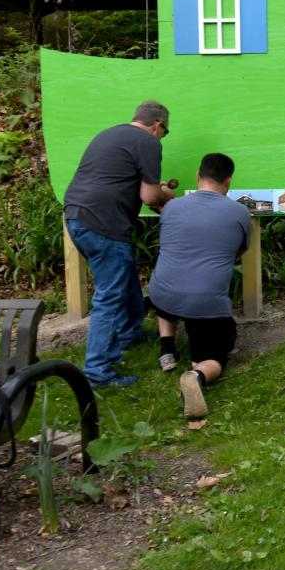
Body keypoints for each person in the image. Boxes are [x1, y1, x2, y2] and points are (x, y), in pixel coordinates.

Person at [65, 101, 175, 388]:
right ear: (157, 125)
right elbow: (150, 197)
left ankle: (129, 334)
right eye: (165, 132)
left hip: (77, 216)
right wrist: (166, 196)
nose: (162, 136)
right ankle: (98, 370)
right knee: (110, 294)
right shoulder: (149, 143)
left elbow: (117, 178)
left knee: (123, 273)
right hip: (104, 223)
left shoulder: (109, 134)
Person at [147, 152, 250, 421]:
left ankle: (167, 348)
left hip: (161, 294)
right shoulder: (239, 212)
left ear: (197, 176)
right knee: (215, 354)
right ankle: (197, 374)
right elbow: (239, 252)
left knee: (171, 280)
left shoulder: (172, 207)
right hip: (205, 303)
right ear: (227, 183)